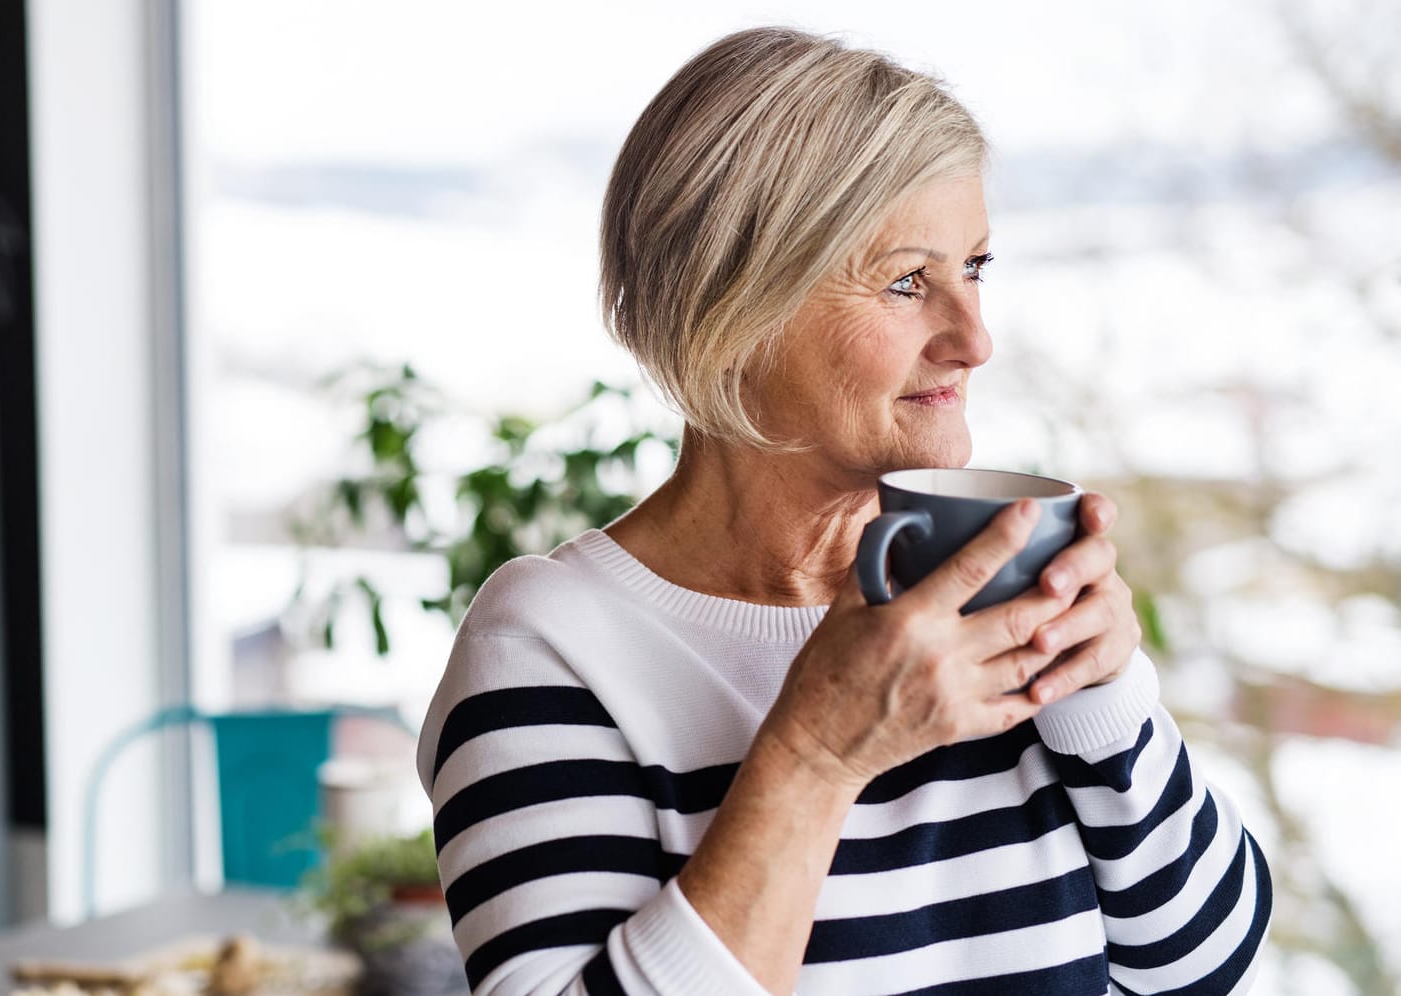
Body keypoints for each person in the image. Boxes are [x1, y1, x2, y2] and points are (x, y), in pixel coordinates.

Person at [415, 25, 1273, 996]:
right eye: (907, 281)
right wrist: (816, 754)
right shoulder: (553, 647)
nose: (973, 338)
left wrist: (1103, 691)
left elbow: (1197, 969)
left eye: (976, 269)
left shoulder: (988, 593)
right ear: (730, 305)